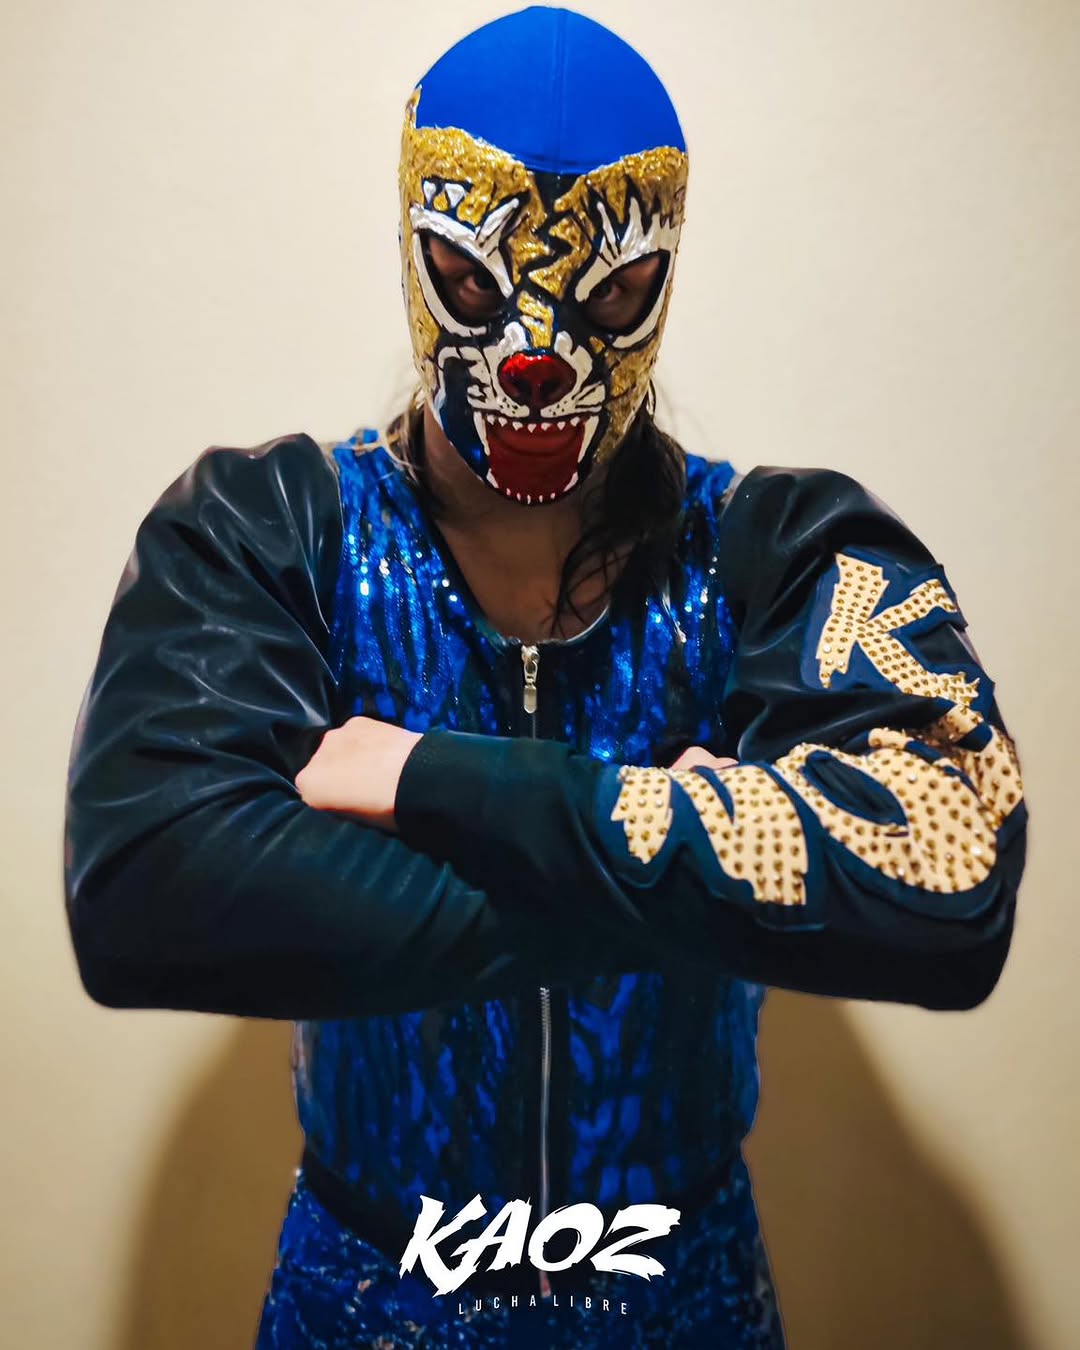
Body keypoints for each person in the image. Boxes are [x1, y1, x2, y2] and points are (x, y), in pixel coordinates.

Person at [63, 7, 1028, 1348]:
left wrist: (428, 779)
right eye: (474, 280)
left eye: (609, 293)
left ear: (665, 272)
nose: (536, 353)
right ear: (414, 247)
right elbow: (145, 889)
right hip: (370, 1302)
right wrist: (694, 864)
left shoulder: (780, 550)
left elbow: (947, 872)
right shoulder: (266, 528)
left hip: (681, 1304)